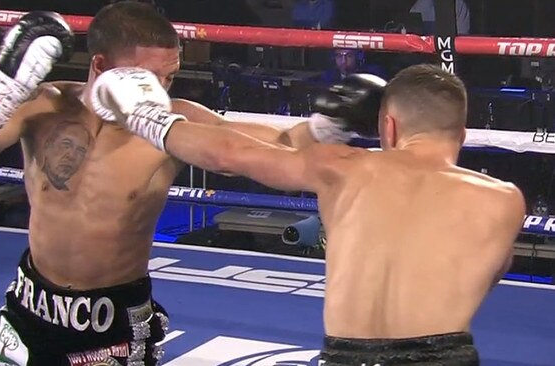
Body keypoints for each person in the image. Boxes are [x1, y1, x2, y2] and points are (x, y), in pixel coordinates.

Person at [0, 3, 333, 365]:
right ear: (100, 66)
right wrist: (6, 84)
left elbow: (279, 144)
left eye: (167, 78)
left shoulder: (178, 124)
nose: (155, 92)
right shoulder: (41, 106)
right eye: (146, 78)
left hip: (112, 323)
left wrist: (331, 125)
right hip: (30, 308)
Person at [106, 63, 526, 365]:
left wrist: (143, 114)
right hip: (446, 356)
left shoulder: (341, 167)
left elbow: (231, 155)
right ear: (463, 134)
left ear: (389, 128)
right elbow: (485, 272)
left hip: (346, 357)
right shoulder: (506, 200)